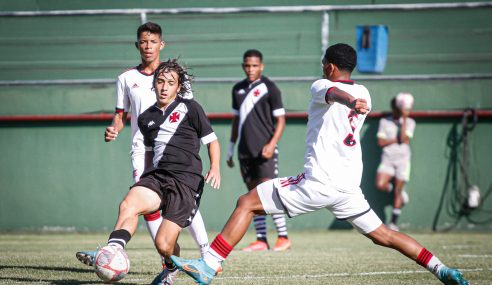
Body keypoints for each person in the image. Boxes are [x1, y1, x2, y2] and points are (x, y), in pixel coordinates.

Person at [170, 44, 469, 285]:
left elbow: (333, 93)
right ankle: (441, 269)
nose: (322, 67)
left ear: (330, 67)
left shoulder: (322, 85)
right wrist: (353, 101)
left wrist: (347, 100)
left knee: (246, 202)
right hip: (348, 189)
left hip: (319, 182)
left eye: (324, 63)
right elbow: (342, 95)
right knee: (384, 235)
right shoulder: (365, 92)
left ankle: (209, 265)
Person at [76, 22, 210, 269]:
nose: (148, 46)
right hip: (143, 151)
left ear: (161, 44)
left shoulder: (175, 76)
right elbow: (121, 114)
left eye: (152, 41)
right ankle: (142, 256)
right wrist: (114, 128)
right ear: (137, 44)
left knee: (181, 200)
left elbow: (189, 114)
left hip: (176, 152)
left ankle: (205, 250)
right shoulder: (126, 78)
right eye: (143, 42)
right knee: (141, 204)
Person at [226, 49, 291, 252]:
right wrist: (230, 148)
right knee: (252, 196)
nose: (250, 69)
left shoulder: (270, 88)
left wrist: (272, 144)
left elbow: (281, 120)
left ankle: (283, 237)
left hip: (265, 151)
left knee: (270, 193)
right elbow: (237, 121)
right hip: (245, 152)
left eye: (254, 65)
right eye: (247, 65)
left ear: (261, 66)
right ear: (243, 66)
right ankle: (261, 240)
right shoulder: (237, 89)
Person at [375, 93, 416, 231]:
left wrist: (403, 120)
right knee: (380, 184)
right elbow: (381, 142)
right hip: (387, 159)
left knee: (398, 191)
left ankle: (393, 223)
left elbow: (405, 139)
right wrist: (395, 140)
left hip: (403, 160)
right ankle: (397, 192)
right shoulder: (384, 122)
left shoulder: (410, 122)